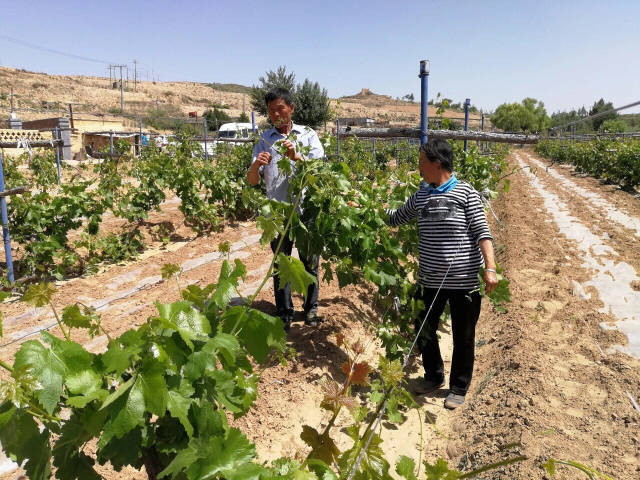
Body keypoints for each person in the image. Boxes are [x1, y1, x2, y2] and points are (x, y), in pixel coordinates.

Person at [386, 138, 498, 410]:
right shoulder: (422, 195)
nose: (419, 167)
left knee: (464, 335)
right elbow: (396, 217)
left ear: (437, 163)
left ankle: (458, 387)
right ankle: (434, 376)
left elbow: (482, 233)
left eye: (422, 162)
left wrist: (490, 268)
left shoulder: (466, 193)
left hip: (464, 283)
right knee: (423, 329)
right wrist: (365, 209)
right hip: (429, 281)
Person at [247, 87, 325, 330]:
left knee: (309, 261)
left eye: (280, 108)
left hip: (305, 210)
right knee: (281, 265)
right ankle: (284, 312)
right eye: (271, 111)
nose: (276, 114)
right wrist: (255, 166)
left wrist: (296, 157)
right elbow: (252, 181)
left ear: (291, 108)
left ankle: (311, 309)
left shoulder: (308, 135)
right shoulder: (264, 140)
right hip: (277, 214)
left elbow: (318, 171)